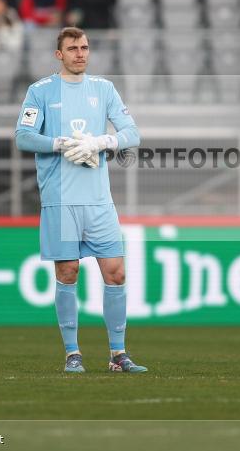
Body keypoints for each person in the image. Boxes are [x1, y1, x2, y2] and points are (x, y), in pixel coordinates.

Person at [14, 26, 145, 374]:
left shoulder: (103, 89)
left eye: (85, 47)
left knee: (115, 274)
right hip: (60, 199)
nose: (80, 53)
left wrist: (101, 142)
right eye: (73, 48)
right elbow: (23, 137)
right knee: (68, 272)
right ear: (59, 54)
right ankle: (72, 352)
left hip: (99, 200)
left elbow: (132, 133)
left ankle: (118, 354)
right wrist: (61, 144)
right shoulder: (40, 91)